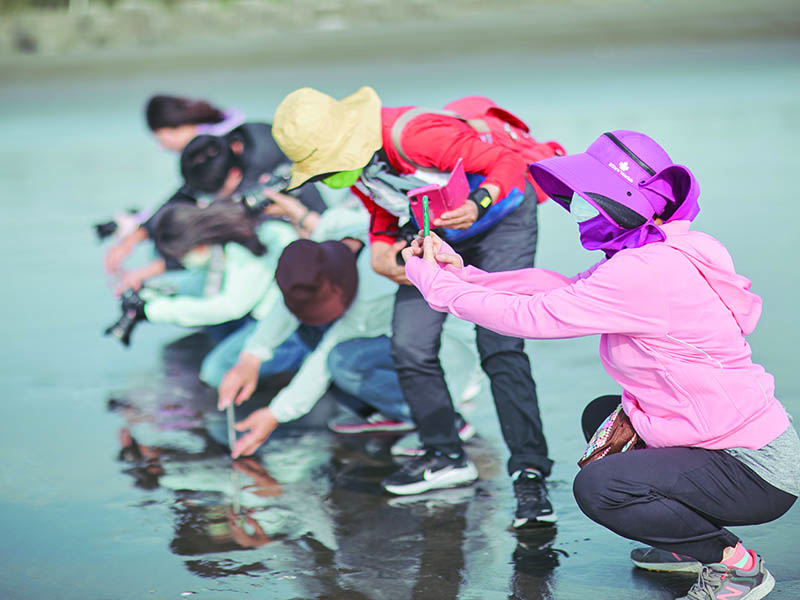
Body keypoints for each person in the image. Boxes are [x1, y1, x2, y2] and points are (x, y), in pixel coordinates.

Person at [401, 130, 799, 600]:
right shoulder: (654, 252)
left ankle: (737, 568)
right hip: (725, 445)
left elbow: (534, 315)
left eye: (592, 199)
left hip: (752, 469)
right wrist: (461, 273)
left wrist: (437, 287)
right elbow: (556, 289)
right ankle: (681, 543)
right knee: (603, 416)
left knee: (599, 488)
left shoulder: (644, 271)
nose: (581, 209)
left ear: (626, 202)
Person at [270, 86, 564, 527]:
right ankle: (444, 454)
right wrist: (381, 246)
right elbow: (383, 204)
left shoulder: (416, 136)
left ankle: (529, 472)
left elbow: (508, 163)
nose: (324, 177)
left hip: (502, 220)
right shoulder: (355, 163)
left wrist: (476, 203)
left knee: (499, 344)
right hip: (432, 229)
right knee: (409, 344)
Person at [216, 202, 482, 455]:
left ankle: (442, 418)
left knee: (341, 359)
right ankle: (391, 410)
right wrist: (250, 358)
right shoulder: (333, 229)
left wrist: (276, 414)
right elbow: (293, 298)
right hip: (392, 338)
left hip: (451, 359)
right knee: (309, 332)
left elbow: (325, 355)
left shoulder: (375, 278)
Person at [104, 124, 326, 295]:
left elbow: (214, 229)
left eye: (213, 194)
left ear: (234, 176)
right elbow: (186, 194)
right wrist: (135, 237)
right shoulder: (221, 150)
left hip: (310, 223)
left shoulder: (257, 180)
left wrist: (147, 272)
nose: (208, 199)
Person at [122, 200, 310, 388]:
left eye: (180, 256)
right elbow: (201, 284)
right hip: (263, 312)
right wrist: (153, 291)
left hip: (291, 325)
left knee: (217, 371)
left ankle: (306, 356)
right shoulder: (224, 239)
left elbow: (230, 307)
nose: (182, 262)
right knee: (208, 317)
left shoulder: (244, 248)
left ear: (196, 244)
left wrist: (154, 311)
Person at [96, 95, 246, 241]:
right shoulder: (218, 141)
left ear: (178, 127)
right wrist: (143, 224)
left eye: (162, 139)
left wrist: (143, 231)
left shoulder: (213, 151)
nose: (162, 147)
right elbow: (189, 195)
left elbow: (189, 198)